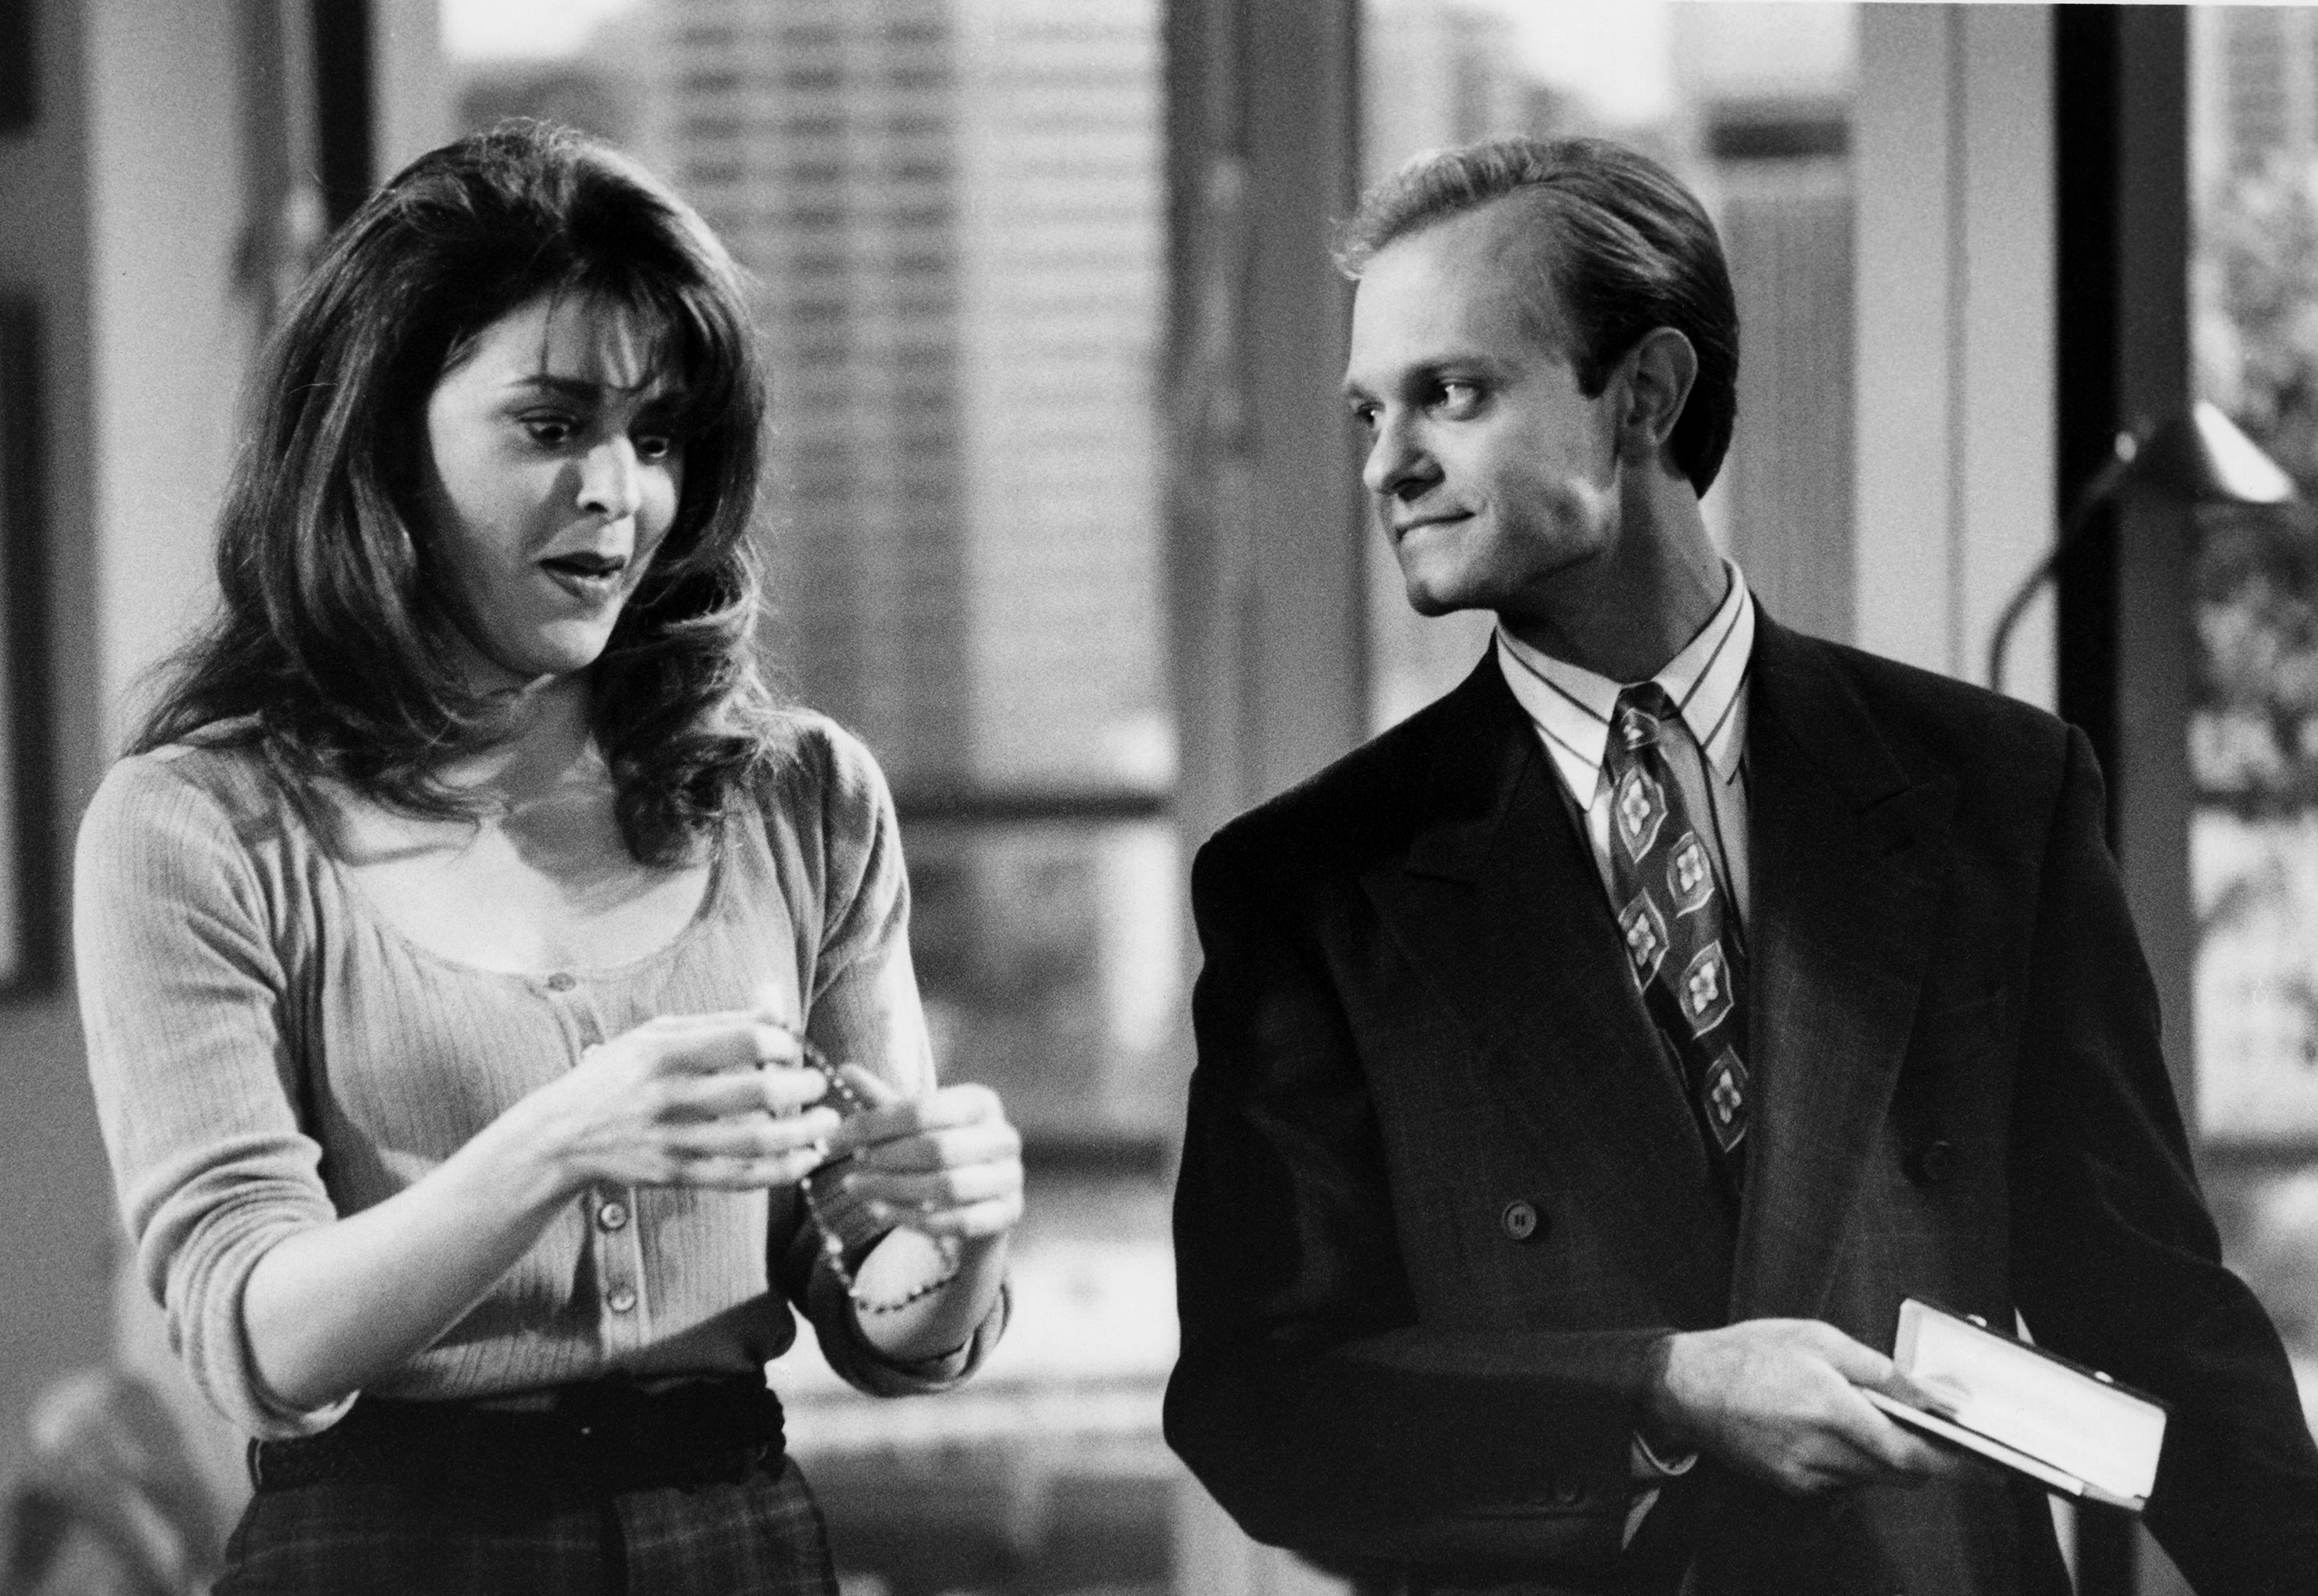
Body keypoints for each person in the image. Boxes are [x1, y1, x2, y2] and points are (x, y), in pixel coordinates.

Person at [1164, 135, 2318, 1594]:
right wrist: (1660, 1388)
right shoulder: (1311, 881)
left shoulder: (1993, 792)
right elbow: (1262, 1408)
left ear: (1646, 394)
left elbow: (2152, 1312)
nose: (1387, 463)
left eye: (1450, 393)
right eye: (1366, 411)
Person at [75, 122, 1022, 1596]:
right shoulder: (197, 826)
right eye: (552, 424)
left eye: (659, 437)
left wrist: (956, 1244)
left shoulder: (801, 801)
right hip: (383, 1554)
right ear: (382, 435)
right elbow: (260, 1337)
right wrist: (562, 1141)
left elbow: (882, 1314)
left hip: (734, 1545)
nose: (617, 491)